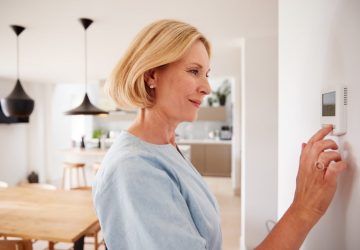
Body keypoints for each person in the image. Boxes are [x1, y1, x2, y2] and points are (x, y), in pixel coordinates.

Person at [92, 19, 346, 250]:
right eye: (194, 71)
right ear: (151, 76)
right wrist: (303, 210)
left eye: (207, 74)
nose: (207, 87)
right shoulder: (134, 168)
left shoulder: (165, 147)